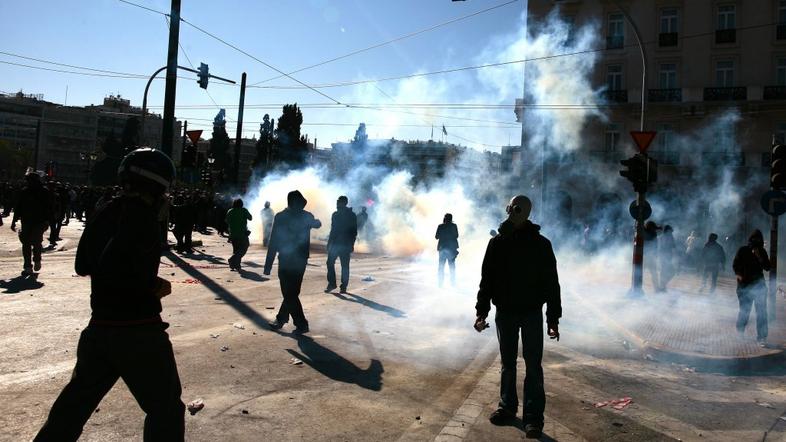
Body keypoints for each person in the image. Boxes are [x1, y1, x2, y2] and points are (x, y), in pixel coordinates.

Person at [34, 148, 185, 441]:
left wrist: (138, 277)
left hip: (100, 330)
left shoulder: (106, 209)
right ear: (158, 184)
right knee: (164, 410)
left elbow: (84, 265)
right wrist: (150, 284)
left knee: (71, 410)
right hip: (138, 332)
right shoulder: (142, 217)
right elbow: (118, 267)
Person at [474, 195, 561, 439]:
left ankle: (533, 419)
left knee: (533, 366)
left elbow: (552, 284)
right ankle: (507, 407)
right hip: (506, 312)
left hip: (531, 312)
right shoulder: (498, 243)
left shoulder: (541, 244)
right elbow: (487, 280)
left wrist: (552, 318)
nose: (514, 213)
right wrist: (482, 311)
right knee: (508, 364)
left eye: (516, 210)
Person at [264, 190, 322, 334]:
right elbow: (274, 240)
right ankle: (287, 320)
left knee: (291, 293)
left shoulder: (301, 216)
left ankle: (296, 323)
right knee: (290, 293)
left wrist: (315, 222)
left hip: (297, 260)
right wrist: (268, 264)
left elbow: (317, 224)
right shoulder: (283, 217)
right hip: (287, 259)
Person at [11, 169, 53, 275]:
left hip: (32, 221)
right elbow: (19, 207)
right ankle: (33, 262)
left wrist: (14, 221)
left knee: (29, 243)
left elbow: (18, 207)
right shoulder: (43, 191)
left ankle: (30, 264)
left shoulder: (27, 191)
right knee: (34, 242)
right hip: (35, 221)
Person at [732, 229, 770, 346]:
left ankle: (761, 337)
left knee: (761, 313)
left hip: (759, 287)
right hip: (745, 286)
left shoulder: (762, 251)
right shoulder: (743, 250)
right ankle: (740, 333)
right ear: (750, 240)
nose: (756, 242)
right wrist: (739, 275)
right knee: (745, 311)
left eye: (758, 240)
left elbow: (767, 267)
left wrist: (759, 257)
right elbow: (735, 265)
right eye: (754, 239)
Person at [325, 196, 358, 293]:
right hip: (335, 244)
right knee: (329, 263)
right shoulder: (335, 214)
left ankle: (344, 286)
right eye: (337, 201)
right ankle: (332, 283)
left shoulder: (351, 215)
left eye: (339, 202)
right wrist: (329, 243)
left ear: (345, 203)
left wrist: (351, 244)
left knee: (345, 266)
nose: (337, 203)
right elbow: (333, 230)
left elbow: (354, 231)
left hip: (345, 244)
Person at [226, 198, 252, 271]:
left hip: (233, 235)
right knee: (244, 248)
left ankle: (236, 265)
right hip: (242, 234)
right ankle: (232, 260)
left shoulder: (230, 211)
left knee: (236, 250)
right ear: (241, 204)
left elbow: (227, 221)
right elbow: (250, 218)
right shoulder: (244, 210)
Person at [435, 213, 459, 287]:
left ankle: (440, 283)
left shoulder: (441, 226)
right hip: (451, 249)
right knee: (452, 267)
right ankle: (453, 284)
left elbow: (436, 237)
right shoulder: (454, 226)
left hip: (442, 248)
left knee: (441, 266)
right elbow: (456, 235)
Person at [658, 225, 676, 291]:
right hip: (664, 256)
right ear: (668, 231)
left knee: (666, 271)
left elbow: (673, 246)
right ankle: (662, 286)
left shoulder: (662, 237)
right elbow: (673, 246)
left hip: (666, 257)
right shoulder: (663, 237)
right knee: (668, 271)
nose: (671, 233)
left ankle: (662, 285)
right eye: (670, 231)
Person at [643, 221, 660, 291]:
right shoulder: (650, 233)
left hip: (648, 255)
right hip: (646, 255)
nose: (654, 229)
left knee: (653, 272)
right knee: (652, 272)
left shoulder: (652, 233)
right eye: (653, 227)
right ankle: (656, 288)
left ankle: (656, 288)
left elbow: (655, 245)